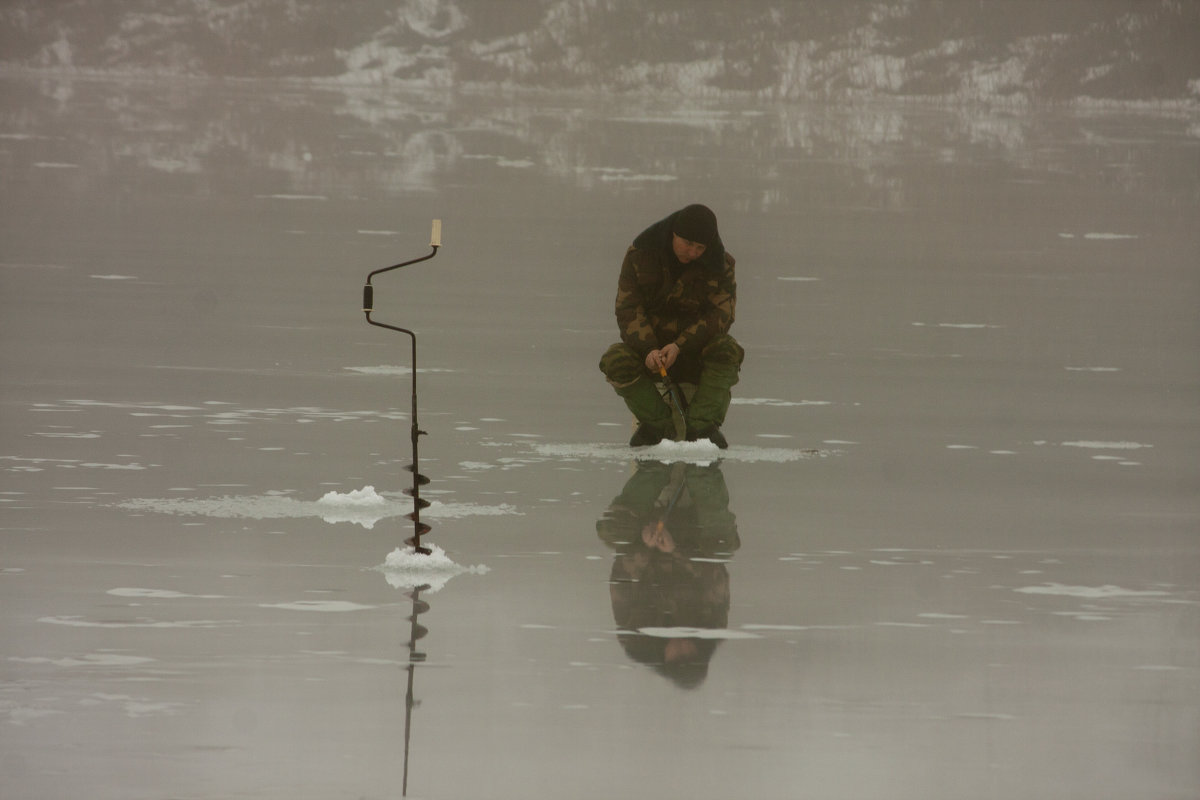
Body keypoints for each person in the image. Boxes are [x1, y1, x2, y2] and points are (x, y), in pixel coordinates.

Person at [599, 204, 744, 448]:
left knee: (727, 350)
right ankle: (658, 425)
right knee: (615, 359)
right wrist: (648, 350)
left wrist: (680, 346)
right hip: (651, 353)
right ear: (673, 234)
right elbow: (628, 308)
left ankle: (701, 426)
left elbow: (722, 315)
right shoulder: (640, 255)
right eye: (687, 244)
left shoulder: (721, 266)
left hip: (695, 352)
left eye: (700, 248)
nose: (693, 252)